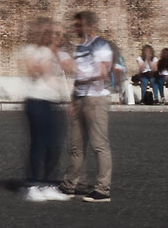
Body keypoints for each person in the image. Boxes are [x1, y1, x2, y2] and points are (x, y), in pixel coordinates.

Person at [62, 11, 115, 203]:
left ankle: (103, 189)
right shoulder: (81, 47)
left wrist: (84, 76)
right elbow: (78, 77)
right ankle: (75, 184)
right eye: (75, 25)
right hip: (80, 98)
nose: (76, 28)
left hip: (96, 99)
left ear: (89, 26)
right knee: (76, 146)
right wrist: (73, 101)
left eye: (79, 25)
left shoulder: (101, 45)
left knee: (99, 145)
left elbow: (103, 73)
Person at [16, 20, 70, 201]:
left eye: (62, 35)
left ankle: (47, 184)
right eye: (56, 34)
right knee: (39, 143)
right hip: (37, 101)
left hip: (52, 102)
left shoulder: (55, 53)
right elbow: (39, 73)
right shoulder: (39, 51)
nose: (60, 37)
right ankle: (32, 185)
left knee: (54, 145)